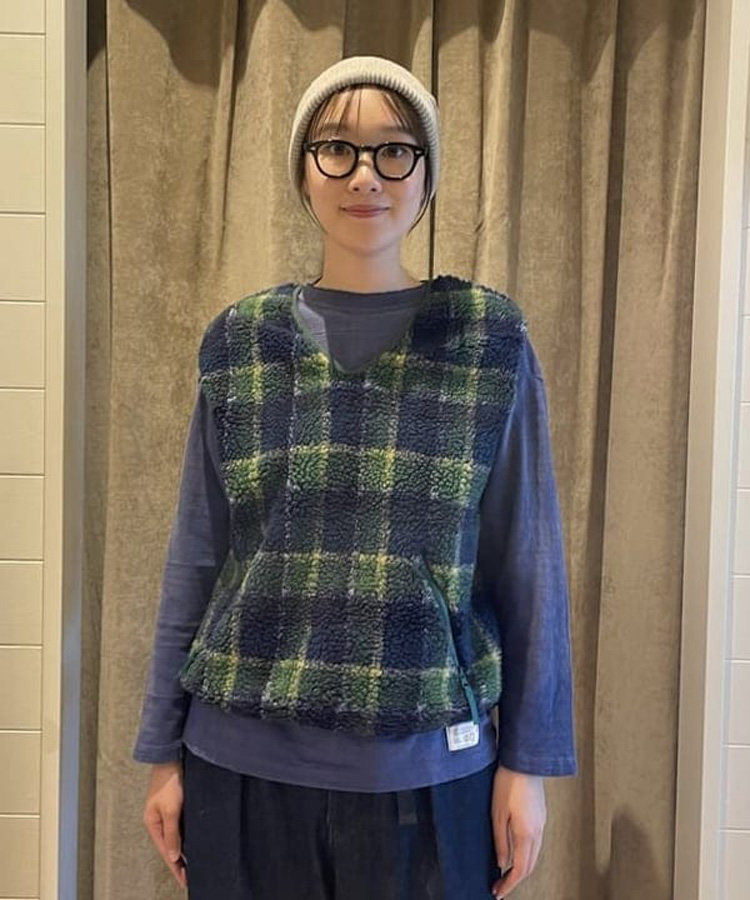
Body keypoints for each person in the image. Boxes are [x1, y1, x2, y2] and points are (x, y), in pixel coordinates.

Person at [133, 55, 577, 900]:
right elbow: (197, 558)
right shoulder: (241, 343)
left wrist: (528, 764)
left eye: (394, 150)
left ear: (426, 173)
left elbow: (529, 566)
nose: (365, 174)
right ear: (304, 172)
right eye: (336, 148)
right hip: (239, 767)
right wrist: (162, 751)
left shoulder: (487, 342)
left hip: (432, 773)